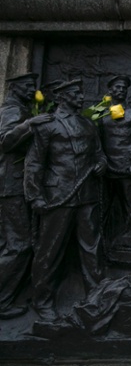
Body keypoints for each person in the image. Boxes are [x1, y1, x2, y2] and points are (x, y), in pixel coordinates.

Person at [24, 78, 107, 321]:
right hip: (58, 197)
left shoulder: (87, 123)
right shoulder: (47, 125)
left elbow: (99, 153)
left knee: (92, 248)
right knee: (50, 250)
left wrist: (102, 164)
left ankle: (97, 296)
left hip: (86, 195)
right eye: (75, 94)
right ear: (61, 97)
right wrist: (35, 197)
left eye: (80, 93)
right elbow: (34, 163)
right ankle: (43, 301)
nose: (80, 98)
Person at [0, 73, 53, 319]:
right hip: (11, 186)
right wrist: (31, 124)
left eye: (34, 85)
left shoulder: (22, 107)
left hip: (20, 186)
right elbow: (5, 141)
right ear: (14, 87)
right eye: (28, 86)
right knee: (19, 245)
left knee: (22, 243)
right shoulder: (11, 109)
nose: (33, 89)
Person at [99, 75, 131, 226]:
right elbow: (96, 141)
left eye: (124, 88)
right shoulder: (100, 114)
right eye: (117, 87)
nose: (121, 90)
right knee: (103, 208)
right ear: (110, 90)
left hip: (128, 169)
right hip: (107, 169)